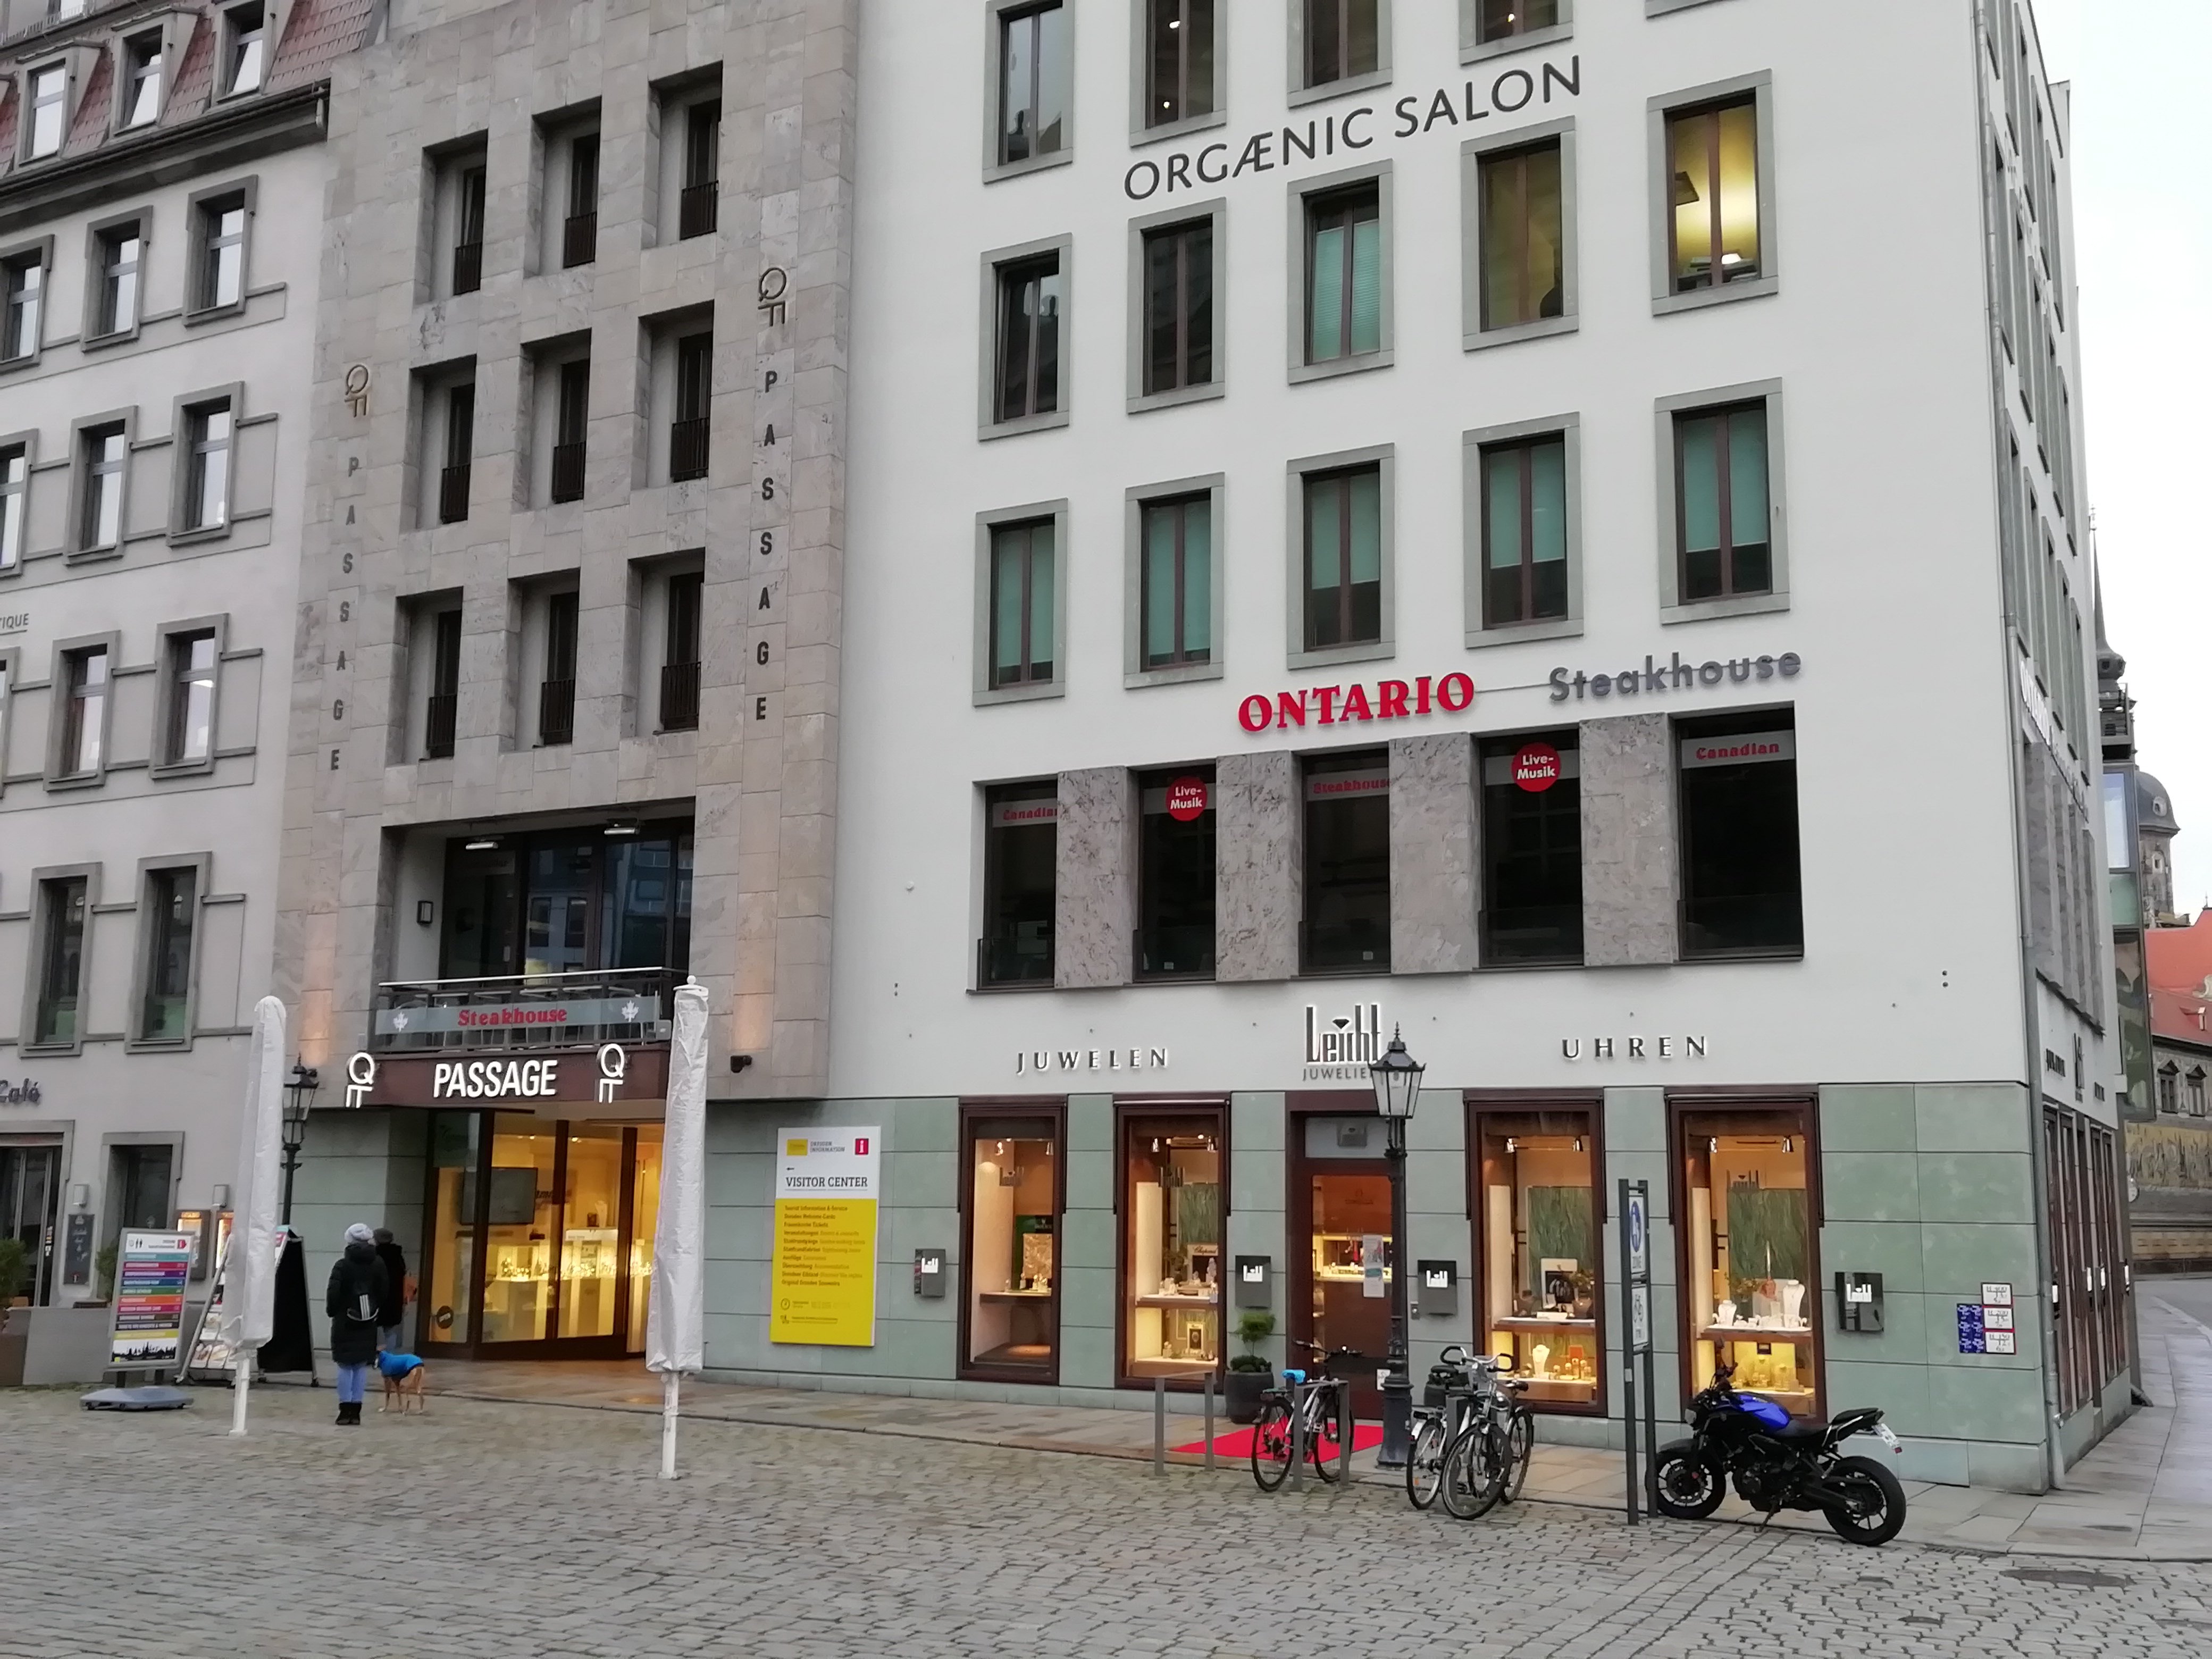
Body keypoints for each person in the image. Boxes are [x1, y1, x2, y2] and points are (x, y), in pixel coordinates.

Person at [325, 1222, 389, 1427]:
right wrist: (375, 1309)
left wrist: (332, 1311)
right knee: (361, 1365)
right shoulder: (378, 1263)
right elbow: (384, 1291)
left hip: (345, 1320)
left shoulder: (342, 1265)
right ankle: (357, 1410)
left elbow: (334, 1293)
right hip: (368, 1321)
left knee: (345, 1365)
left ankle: (345, 1410)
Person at [372, 1228, 409, 1352]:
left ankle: (372, 1355)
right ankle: (390, 1355)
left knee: (372, 1328)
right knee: (391, 1330)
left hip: (377, 1297)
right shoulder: (397, 1256)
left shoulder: (375, 1255)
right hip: (394, 1298)